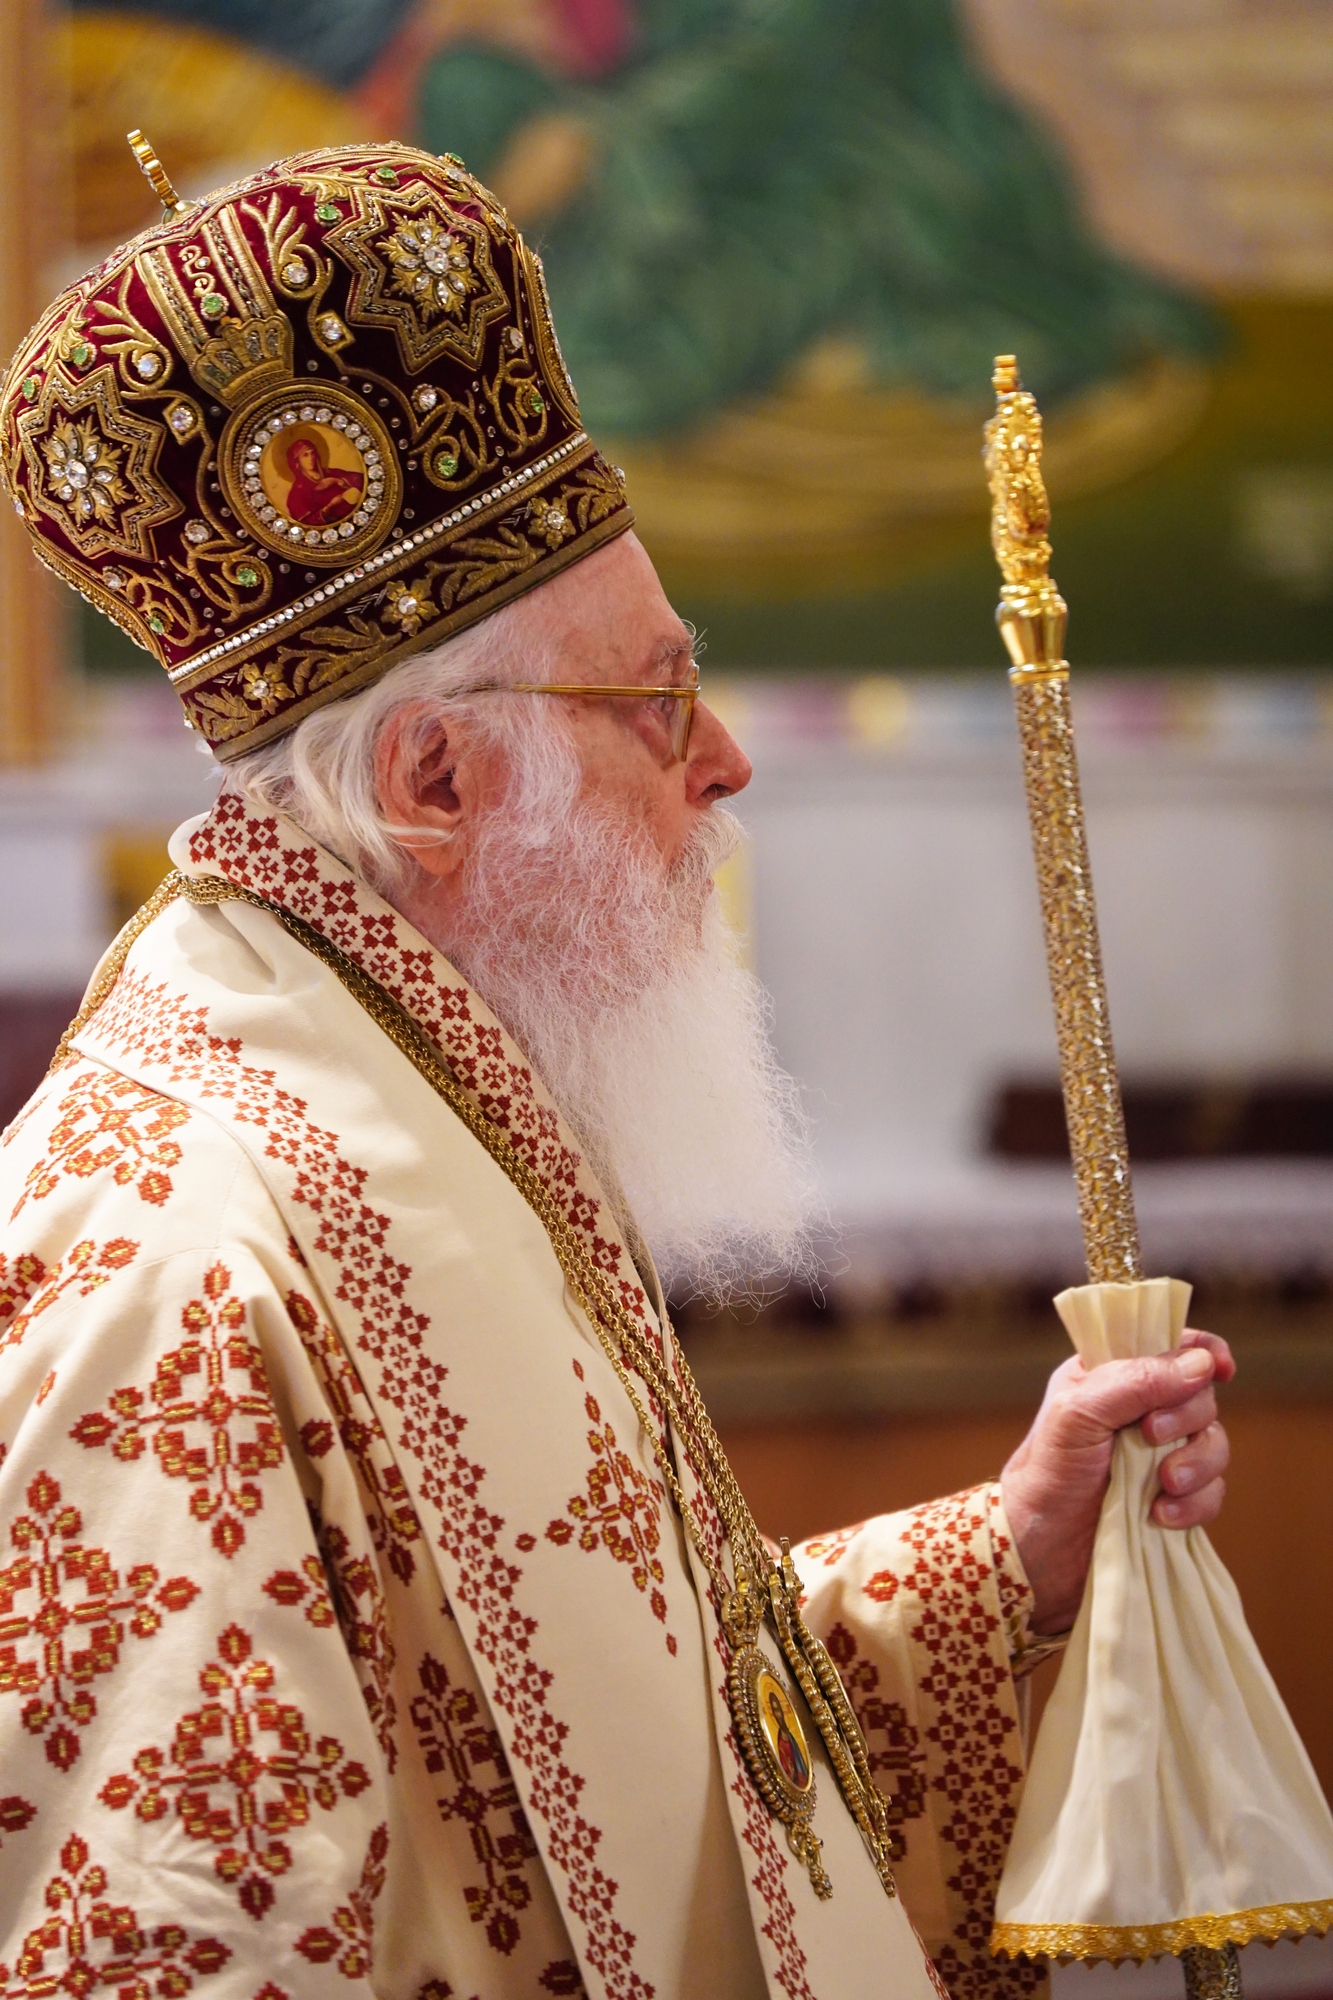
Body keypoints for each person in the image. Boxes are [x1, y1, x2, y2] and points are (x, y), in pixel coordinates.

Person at [0, 141, 1231, 2000]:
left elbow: (635, 1775)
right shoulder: (172, 1266)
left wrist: (1017, 1563)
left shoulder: (428, 1099)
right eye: (653, 698)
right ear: (434, 785)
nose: (721, 758)